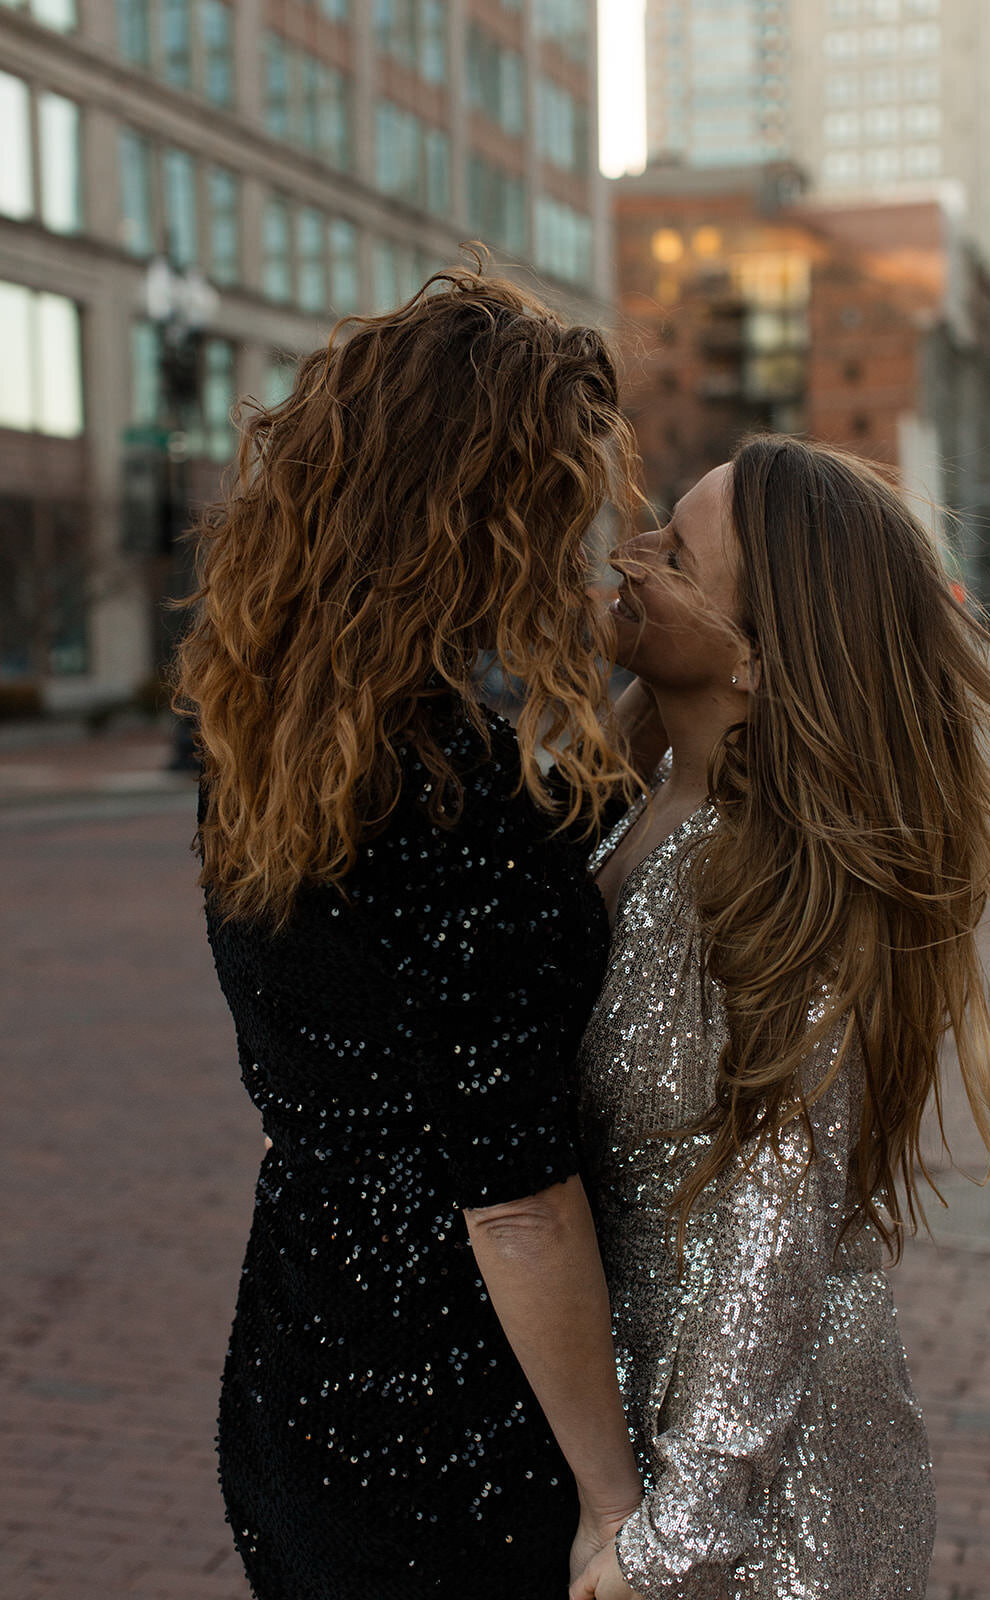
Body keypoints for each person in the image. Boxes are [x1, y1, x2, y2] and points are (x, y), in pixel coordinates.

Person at [176, 267, 663, 1599]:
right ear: (487, 509)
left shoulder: (279, 744)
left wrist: (657, 718)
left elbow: (496, 888)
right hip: (455, 1415)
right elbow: (512, 1202)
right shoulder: (455, 797)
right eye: (565, 493)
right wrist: (611, 1505)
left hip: (301, 1348)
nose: (586, 533)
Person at [571, 435, 990, 1600]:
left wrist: (676, 1532)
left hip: (771, 1484)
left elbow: (772, 1215)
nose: (629, 553)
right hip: (657, 1411)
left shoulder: (782, 874)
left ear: (755, 658)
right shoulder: (642, 801)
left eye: (674, 554)